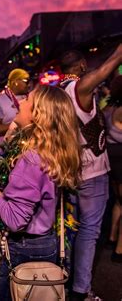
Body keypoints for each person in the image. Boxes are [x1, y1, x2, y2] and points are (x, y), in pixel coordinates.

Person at [0, 85, 81, 300]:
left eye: (27, 100)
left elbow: (15, 219)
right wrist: (16, 123)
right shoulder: (51, 152)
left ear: (38, 114)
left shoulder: (32, 160)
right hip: (46, 241)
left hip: (24, 248)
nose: (20, 102)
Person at [59, 45, 122, 300]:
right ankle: (80, 291)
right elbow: (109, 66)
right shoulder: (78, 89)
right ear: (82, 66)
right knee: (88, 231)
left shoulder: (58, 92)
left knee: (73, 229)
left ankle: (68, 279)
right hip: (91, 172)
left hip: (70, 169)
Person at [104, 76, 122, 262]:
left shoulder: (109, 109)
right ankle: (119, 250)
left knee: (118, 201)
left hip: (112, 158)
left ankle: (111, 237)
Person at [0, 69, 30, 135]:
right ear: (15, 82)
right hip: (11, 140)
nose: (29, 85)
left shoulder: (31, 97)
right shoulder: (0, 99)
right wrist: (17, 124)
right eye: (26, 81)